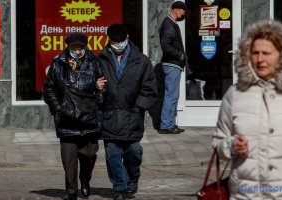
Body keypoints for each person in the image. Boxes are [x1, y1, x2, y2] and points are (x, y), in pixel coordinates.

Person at [212, 20, 282, 199]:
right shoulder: (235, 94)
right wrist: (230, 145)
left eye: (267, 53)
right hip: (246, 194)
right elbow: (218, 143)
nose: (260, 59)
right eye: (255, 53)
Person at [96, 23, 157, 200]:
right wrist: (95, 87)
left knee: (133, 151)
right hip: (110, 115)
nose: (119, 44)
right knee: (113, 153)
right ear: (109, 40)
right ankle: (119, 188)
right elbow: (92, 83)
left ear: (127, 38)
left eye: (122, 40)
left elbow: (150, 89)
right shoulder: (100, 59)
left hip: (132, 115)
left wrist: (138, 107)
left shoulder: (141, 60)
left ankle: (132, 178)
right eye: (115, 41)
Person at [43, 32, 105, 200]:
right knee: (69, 159)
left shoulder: (94, 61)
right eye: (74, 47)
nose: (77, 50)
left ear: (86, 47)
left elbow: (103, 85)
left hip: (89, 116)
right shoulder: (58, 63)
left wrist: (97, 100)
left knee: (89, 154)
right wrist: (58, 109)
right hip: (67, 118)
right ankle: (71, 191)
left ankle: (85, 179)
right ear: (68, 47)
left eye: (80, 47)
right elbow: (49, 89)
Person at [158, 1, 190, 134]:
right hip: (172, 64)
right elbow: (165, 45)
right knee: (171, 95)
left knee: (173, 95)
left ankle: (170, 123)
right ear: (177, 10)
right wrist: (180, 55)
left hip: (173, 64)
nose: (184, 14)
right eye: (183, 12)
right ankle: (166, 125)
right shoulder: (169, 25)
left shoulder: (170, 23)